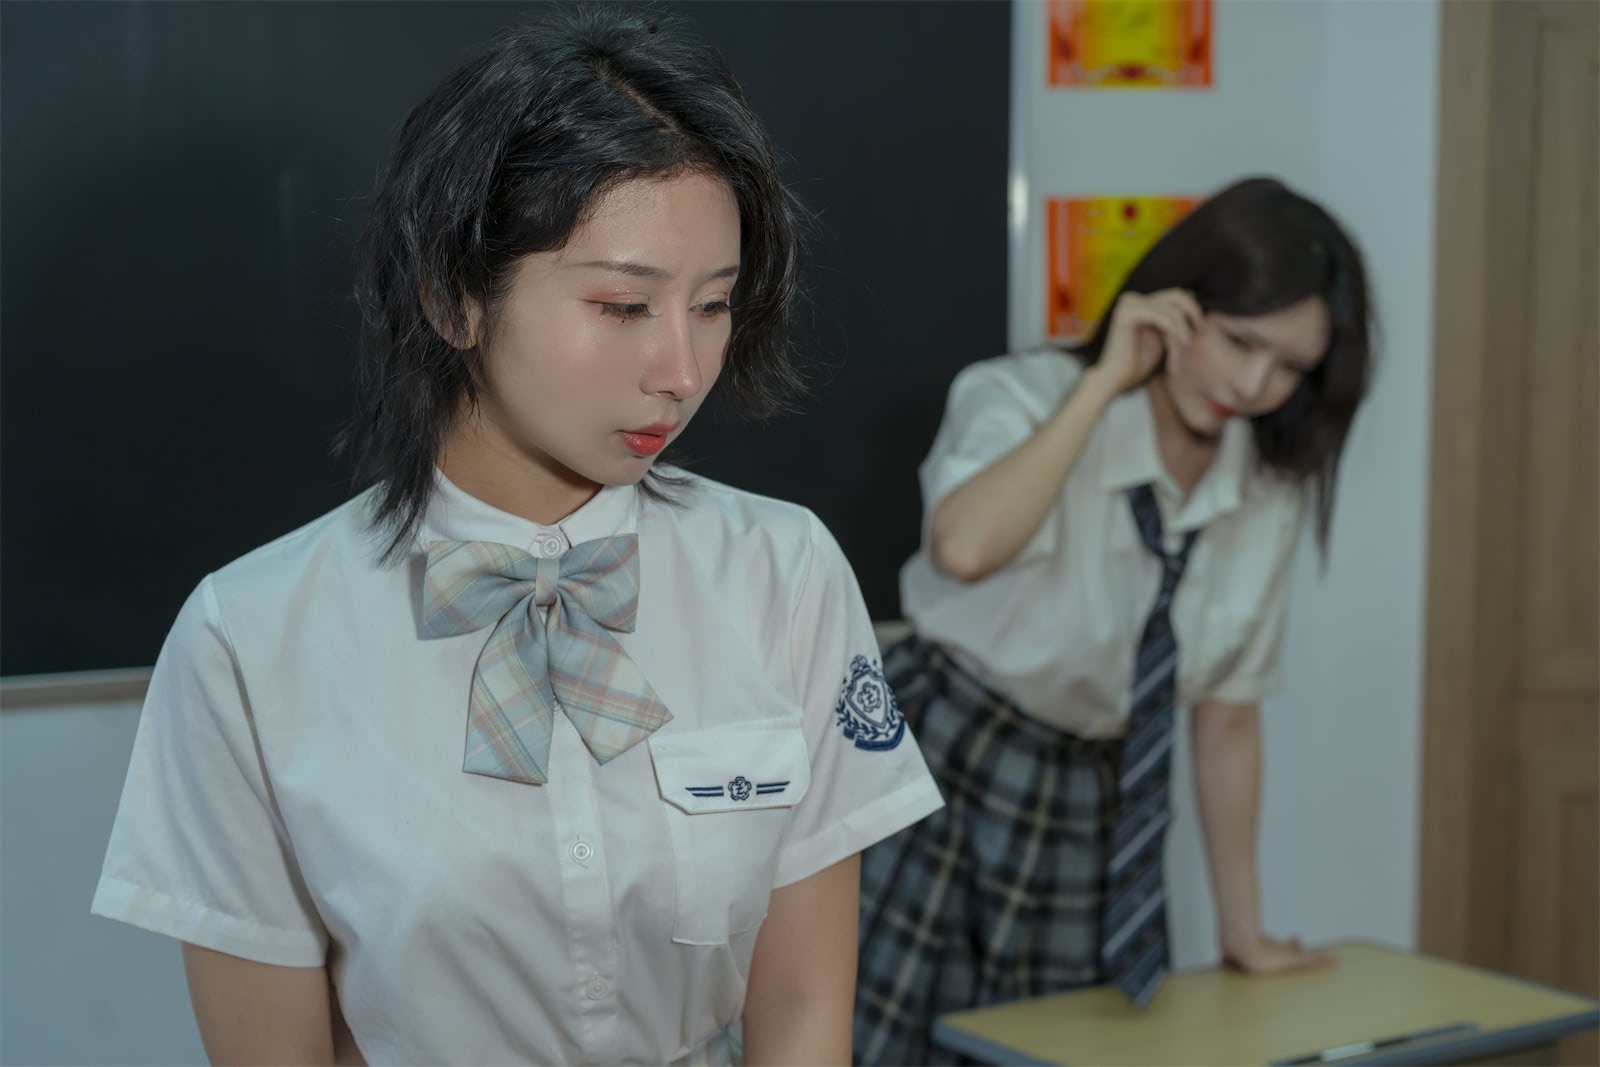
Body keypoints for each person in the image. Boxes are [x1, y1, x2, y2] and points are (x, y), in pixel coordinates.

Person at [91, 8, 942, 1064]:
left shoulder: (783, 570)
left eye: (714, 304)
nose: (682, 371)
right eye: (623, 306)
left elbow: (805, 1004)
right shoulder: (251, 639)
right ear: (453, 296)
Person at [854, 177, 1373, 1064]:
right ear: (1176, 302)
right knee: (881, 1041)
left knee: (1076, 1048)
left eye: (1291, 367)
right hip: (942, 756)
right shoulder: (1024, 393)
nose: (1254, 385)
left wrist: (1243, 931)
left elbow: (1226, 716)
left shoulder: (1263, 487)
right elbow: (964, 548)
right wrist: (1101, 386)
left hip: (1097, 794)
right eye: (1241, 341)